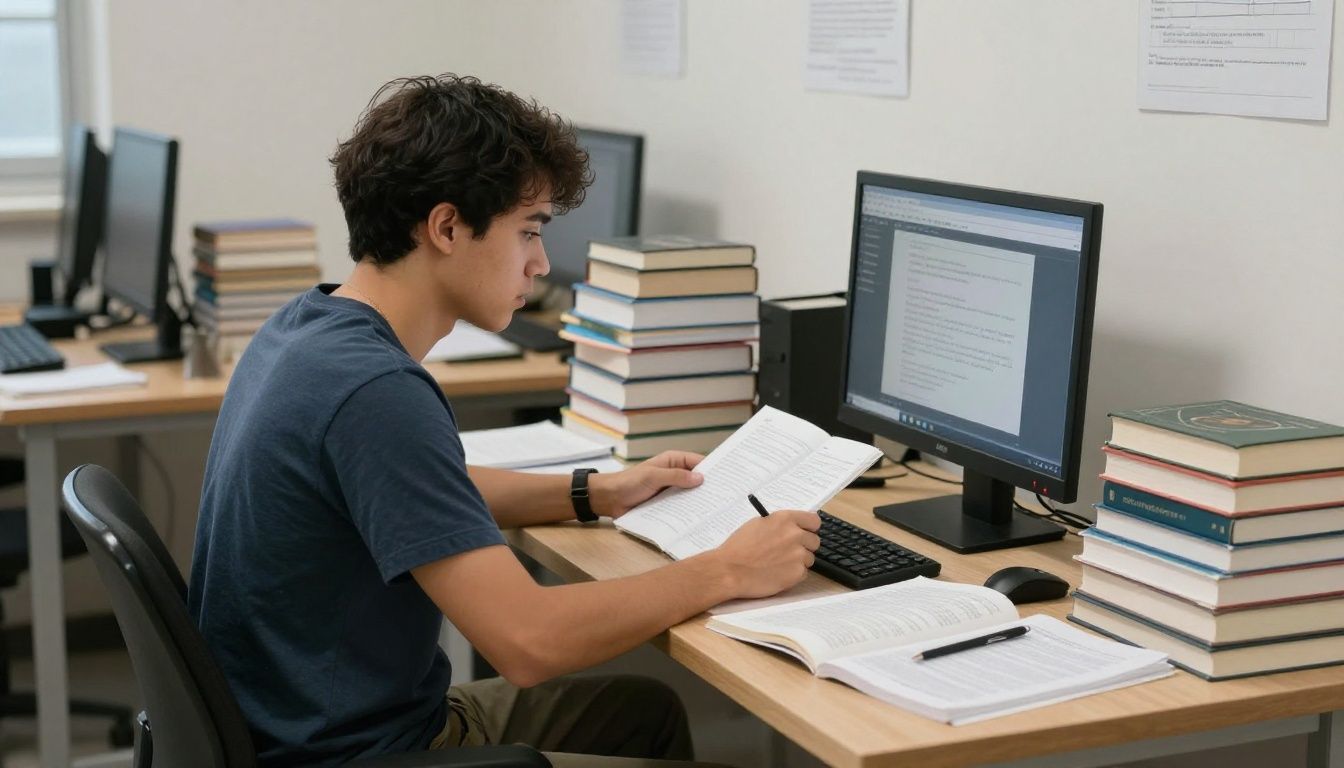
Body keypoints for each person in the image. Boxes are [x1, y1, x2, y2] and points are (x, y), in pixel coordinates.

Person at [188, 74, 821, 768]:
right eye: (528, 232)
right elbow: (528, 643)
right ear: (447, 227)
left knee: (641, 715)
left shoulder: (306, 328)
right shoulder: (376, 390)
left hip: (298, 726)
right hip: (356, 753)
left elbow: (424, 490)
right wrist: (727, 569)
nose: (540, 262)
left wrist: (594, 492)